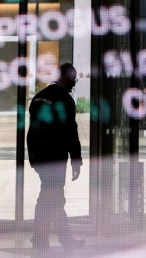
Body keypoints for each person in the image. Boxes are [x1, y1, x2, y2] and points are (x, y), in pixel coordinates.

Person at [27, 63, 85, 249]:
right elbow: (70, 132)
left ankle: (61, 239)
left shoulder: (38, 98)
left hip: (39, 156)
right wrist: (76, 160)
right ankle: (41, 239)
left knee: (53, 196)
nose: (74, 84)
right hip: (55, 158)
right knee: (51, 197)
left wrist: (33, 156)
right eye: (73, 79)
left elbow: (32, 132)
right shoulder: (65, 100)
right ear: (65, 77)